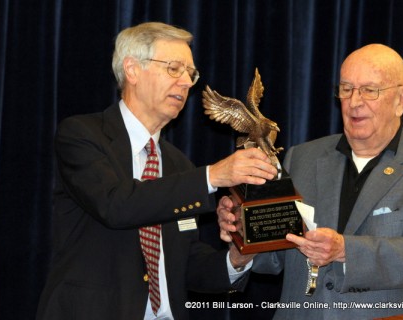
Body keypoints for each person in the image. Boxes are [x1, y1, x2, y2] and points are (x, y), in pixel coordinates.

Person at [35, 22, 277, 320]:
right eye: (174, 68)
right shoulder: (83, 135)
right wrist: (212, 176)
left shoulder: (178, 165)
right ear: (132, 69)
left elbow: (185, 264)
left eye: (191, 74)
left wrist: (238, 256)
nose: (187, 83)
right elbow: (117, 205)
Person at [218, 44, 403, 319]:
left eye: (369, 90)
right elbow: (275, 255)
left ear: (401, 100)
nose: (354, 101)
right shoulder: (302, 158)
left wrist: (345, 250)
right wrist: (242, 237)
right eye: (346, 89)